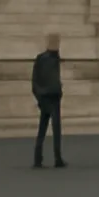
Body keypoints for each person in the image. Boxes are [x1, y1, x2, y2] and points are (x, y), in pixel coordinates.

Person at [31, 32, 67, 169]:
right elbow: (54, 80)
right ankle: (57, 158)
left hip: (44, 96)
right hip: (53, 96)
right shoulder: (54, 59)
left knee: (42, 128)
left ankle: (37, 158)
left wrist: (38, 96)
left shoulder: (40, 58)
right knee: (56, 129)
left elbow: (35, 79)